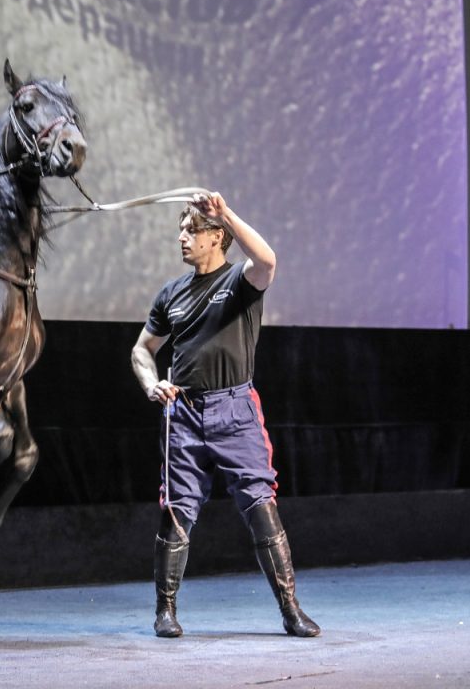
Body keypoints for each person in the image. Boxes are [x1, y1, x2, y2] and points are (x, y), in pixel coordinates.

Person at [130, 191, 320, 638]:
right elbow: (141, 350)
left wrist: (225, 213)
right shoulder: (171, 294)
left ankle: (290, 609)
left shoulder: (240, 282)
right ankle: (165, 611)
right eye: (181, 230)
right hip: (183, 414)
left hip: (235, 411)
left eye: (191, 230)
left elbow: (268, 259)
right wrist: (151, 383)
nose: (182, 238)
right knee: (176, 508)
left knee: (259, 502)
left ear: (216, 237)